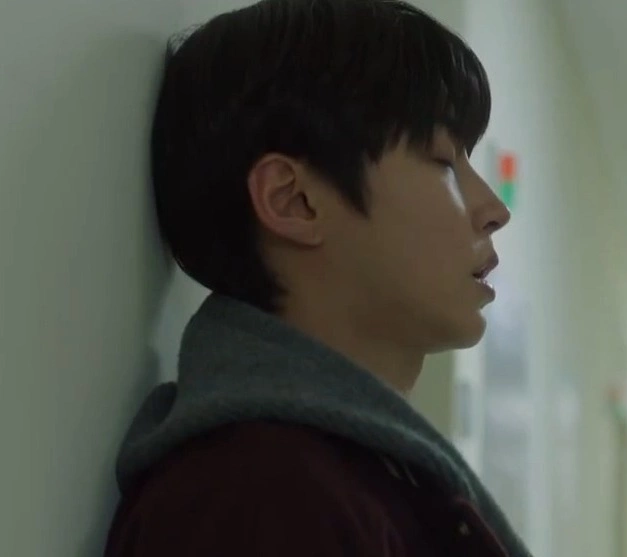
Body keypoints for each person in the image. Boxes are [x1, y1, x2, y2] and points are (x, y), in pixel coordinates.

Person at [103, 0, 525, 555]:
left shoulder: (345, 476)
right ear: (294, 200)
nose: (494, 210)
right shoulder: (259, 498)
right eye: (445, 162)